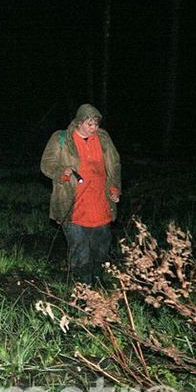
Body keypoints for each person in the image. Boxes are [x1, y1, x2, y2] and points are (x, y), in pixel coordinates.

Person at [40, 104, 121, 285]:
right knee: (80, 250)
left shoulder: (103, 138)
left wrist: (114, 188)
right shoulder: (61, 138)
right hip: (74, 206)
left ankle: (99, 283)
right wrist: (62, 172)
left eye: (96, 124)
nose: (94, 129)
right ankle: (84, 288)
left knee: (101, 249)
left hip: (100, 205)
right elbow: (46, 164)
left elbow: (114, 165)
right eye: (89, 124)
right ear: (79, 122)